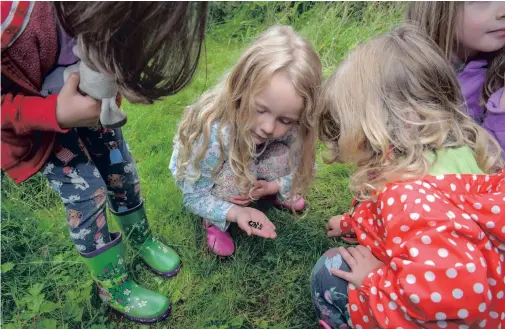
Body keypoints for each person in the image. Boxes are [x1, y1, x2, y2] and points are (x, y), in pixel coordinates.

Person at [1, 1, 207, 323]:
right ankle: (113, 285)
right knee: (88, 194)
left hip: (92, 110)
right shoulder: (9, 17)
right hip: (40, 130)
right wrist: (51, 113)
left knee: (120, 170)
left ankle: (140, 237)